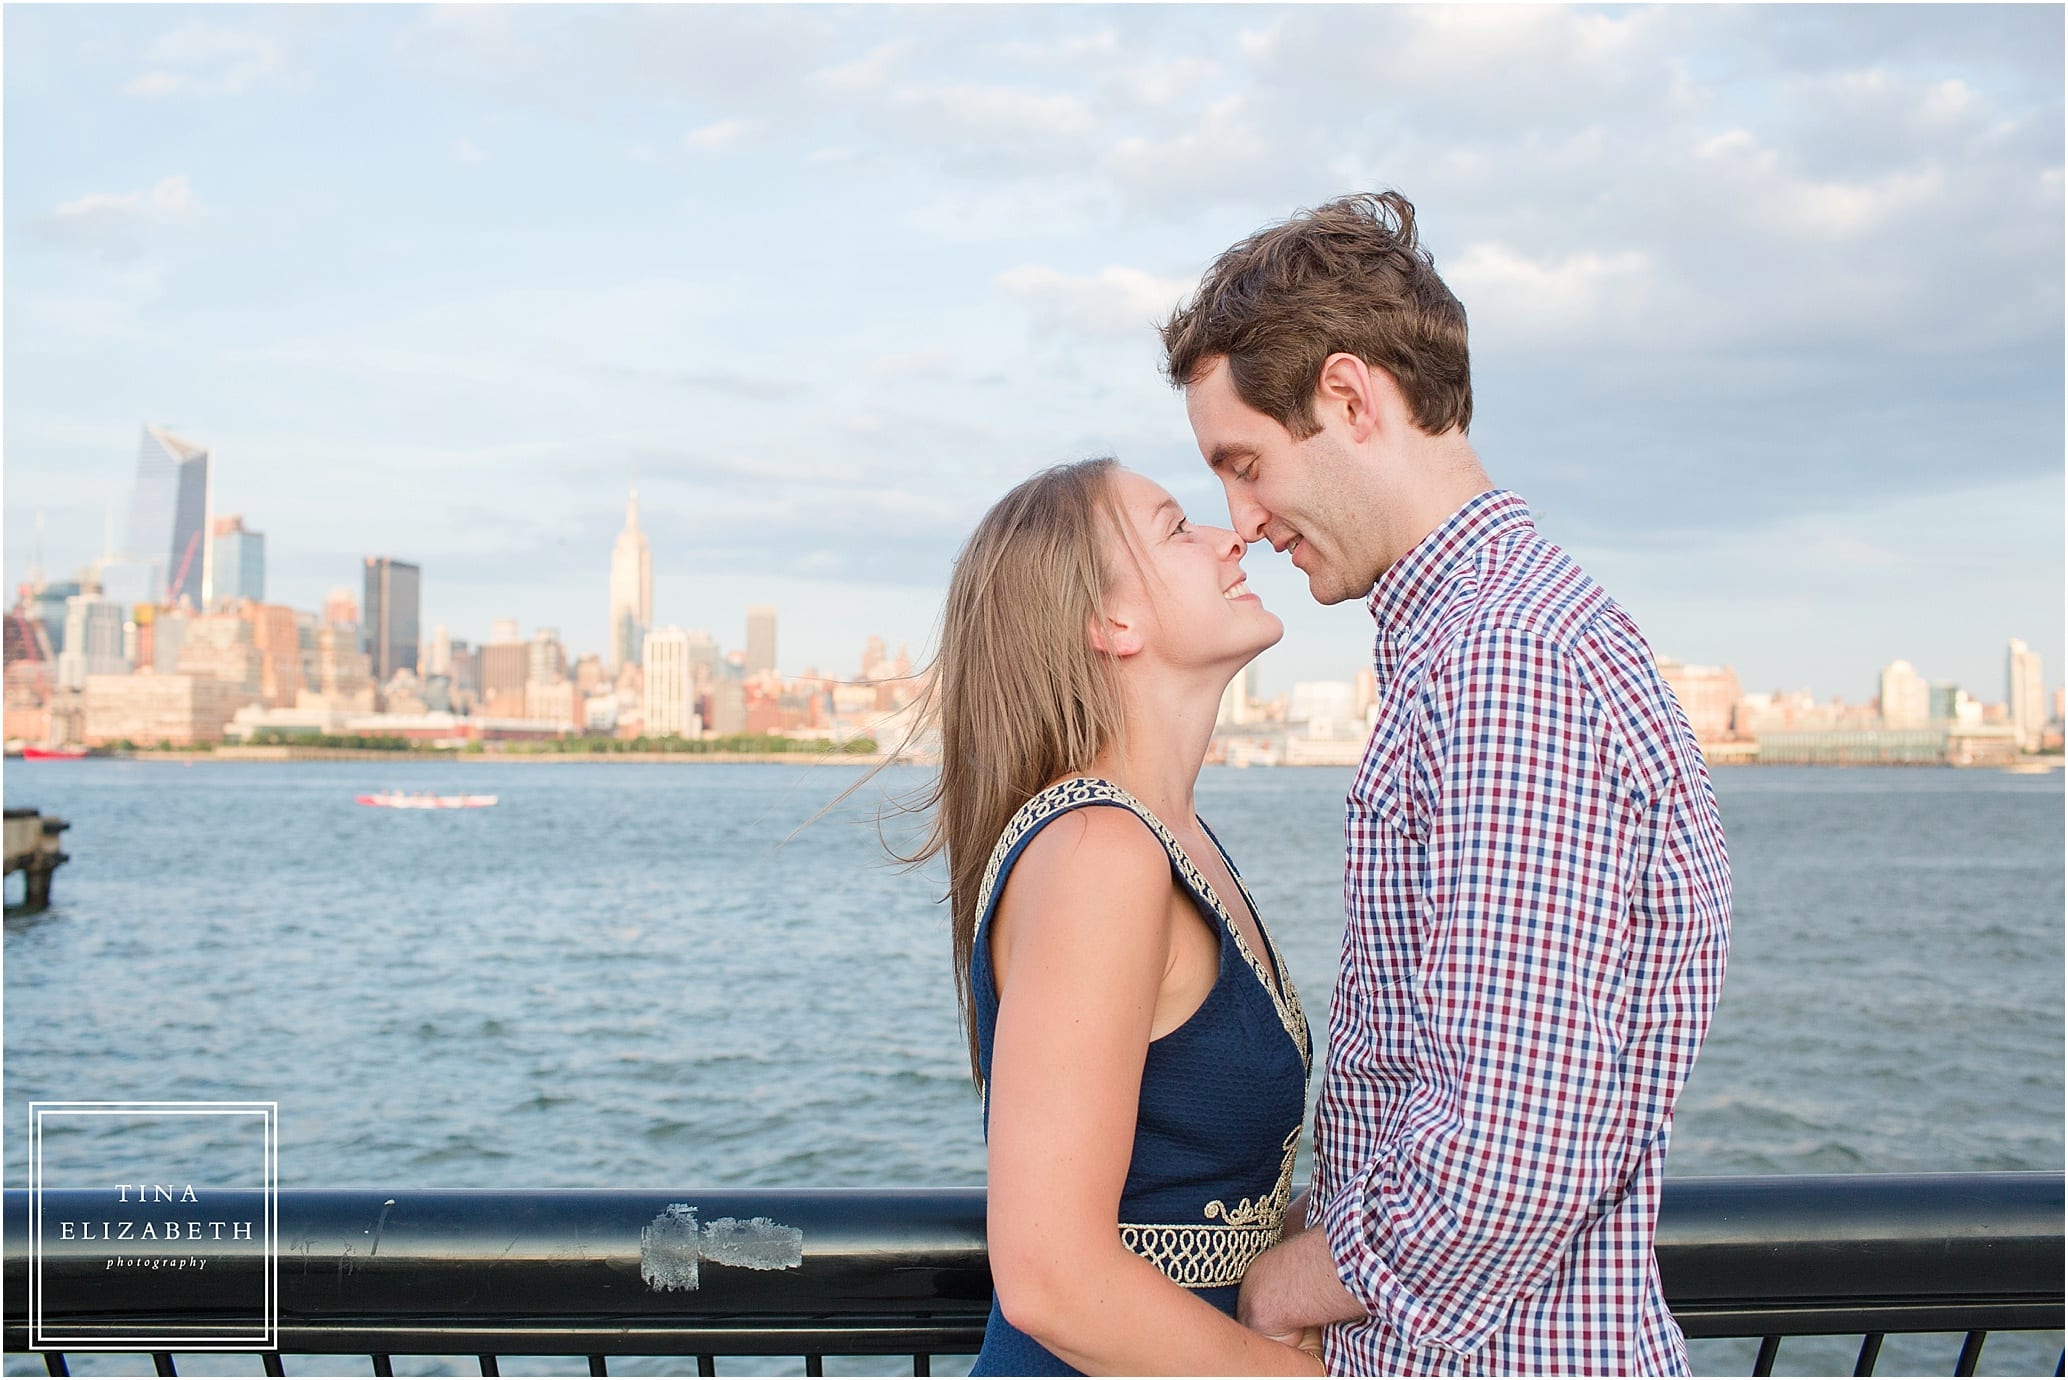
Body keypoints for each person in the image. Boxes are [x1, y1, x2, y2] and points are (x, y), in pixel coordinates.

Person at [1160, 192, 1732, 1375]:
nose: (1244, 520)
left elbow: (1512, 1145)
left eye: (1246, 463)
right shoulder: (1501, 638)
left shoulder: (1501, 665)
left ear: (1351, 398)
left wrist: (1286, 1286)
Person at [896, 456, 1325, 1375]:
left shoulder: (1173, 842)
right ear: (1109, 621)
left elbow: (1199, 1194)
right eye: (1178, 527)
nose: (1232, 534)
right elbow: (1051, 1276)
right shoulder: (1101, 853)